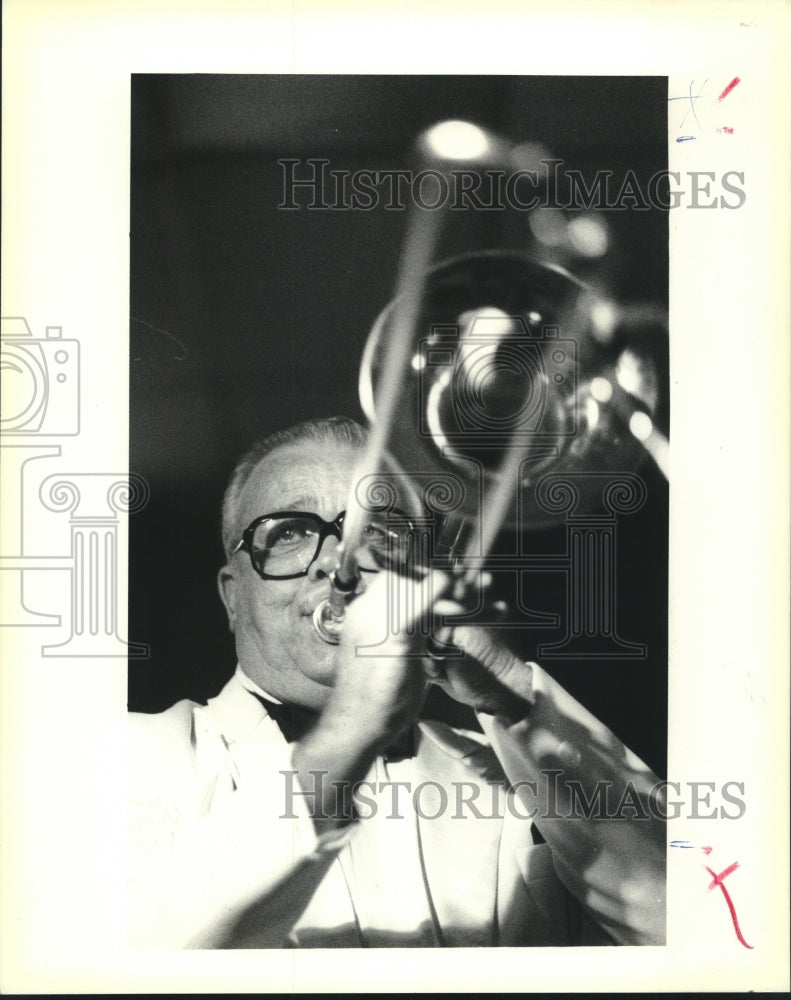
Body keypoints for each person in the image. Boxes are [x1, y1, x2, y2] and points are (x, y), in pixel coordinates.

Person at [128, 416, 665, 949]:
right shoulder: (137, 751)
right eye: (289, 533)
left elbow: (686, 920)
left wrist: (512, 690)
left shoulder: (513, 777)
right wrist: (350, 731)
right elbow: (129, 953)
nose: (339, 565)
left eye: (377, 531)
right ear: (232, 595)